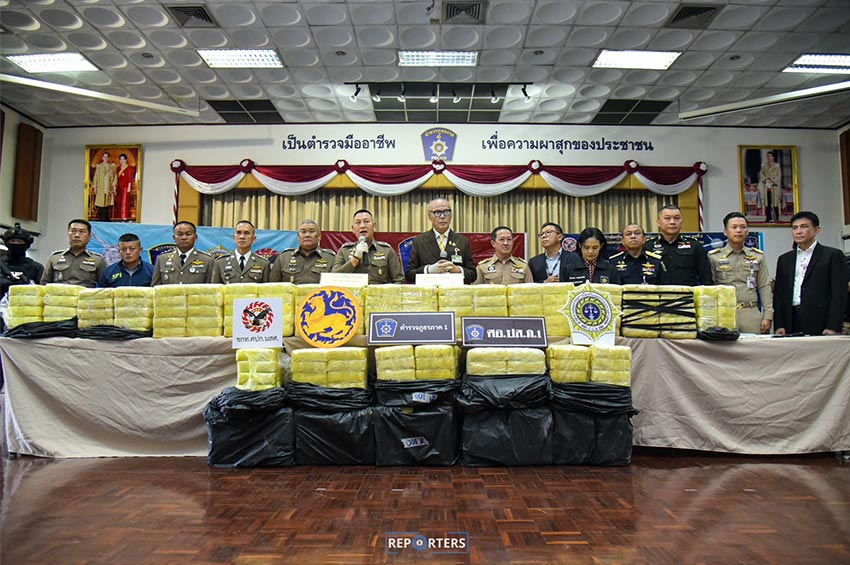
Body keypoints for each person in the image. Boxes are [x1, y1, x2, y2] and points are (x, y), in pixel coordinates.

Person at [773, 211, 848, 335]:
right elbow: (779, 294)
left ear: (816, 230)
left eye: (804, 227)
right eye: (795, 228)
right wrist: (779, 324)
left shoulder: (832, 255)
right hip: (791, 319)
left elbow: (839, 294)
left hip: (821, 320)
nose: (798, 231)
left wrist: (833, 325)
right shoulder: (784, 259)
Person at [708, 213, 772, 334]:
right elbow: (709, 289)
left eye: (743, 227)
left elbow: (764, 286)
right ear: (725, 232)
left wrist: (768, 316)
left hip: (751, 312)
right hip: (724, 312)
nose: (739, 230)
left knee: (755, 345)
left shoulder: (758, 256)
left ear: (747, 231)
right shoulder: (713, 257)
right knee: (724, 345)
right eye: (734, 227)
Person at [405, 198, 476, 284]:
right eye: (437, 213)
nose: (442, 216)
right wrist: (428, 270)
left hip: (454, 290)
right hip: (429, 290)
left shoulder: (462, 241)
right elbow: (409, 274)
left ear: (451, 215)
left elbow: (473, 274)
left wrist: (458, 270)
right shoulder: (419, 241)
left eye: (446, 212)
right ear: (429, 216)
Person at [645, 204, 713, 286]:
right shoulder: (647, 247)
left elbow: (706, 278)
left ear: (682, 223)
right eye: (667, 218)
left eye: (676, 218)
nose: (672, 222)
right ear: (658, 223)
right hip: (658, 293)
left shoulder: (695, 246)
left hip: (687, 293)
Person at [331, 209, 404, 284]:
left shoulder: (386, 250)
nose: (362, 226)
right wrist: (354, 259)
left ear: (374, 226)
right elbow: (333, 278)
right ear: (353, 229)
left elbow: (399, 280)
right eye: (358, 222)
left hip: (377, 291)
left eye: (366, 221)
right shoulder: (344, 251)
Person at [41, 219, 106, 288]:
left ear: (89, 237)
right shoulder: (55, 257)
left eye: (82, 232)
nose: (77, 235)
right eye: (73, 231)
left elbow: (104, 288)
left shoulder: (98, 260)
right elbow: (44, 284)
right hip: (59, 294)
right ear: (68, 234)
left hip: (85, 294)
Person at [269, 219, 336, 284]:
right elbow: (273, 285)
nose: (307, 235)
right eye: (303, 232)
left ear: (319, 236)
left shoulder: (330, 258)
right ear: (298, 236)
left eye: (311, 231)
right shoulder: (284, 257)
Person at [150, 221, 214, 285]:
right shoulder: (162, 259)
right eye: (180, 234)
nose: (184, 237)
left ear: (195, 237)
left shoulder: (207, 260)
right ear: (174, 238)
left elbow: (212, 288)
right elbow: (155, 287)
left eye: (188, 234)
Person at [0, 223, 44, 298]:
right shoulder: (1, 264)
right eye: (12, 241)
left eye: (19, 241)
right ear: (7, 243)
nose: (16, 243)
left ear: (26, 244)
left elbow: (41, 292)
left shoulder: (36, 268)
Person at [92, 151, 117, 222]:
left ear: (108, 158)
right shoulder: (99, 167)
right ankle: (102, 218)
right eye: (104, 157)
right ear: (102, 158)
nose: (105, 158)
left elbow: (115, 177)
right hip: (101, 187)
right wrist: (95, 187)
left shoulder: (112, 167)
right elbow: (96, 177)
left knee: (107, 202)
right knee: (101, 202)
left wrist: (114, 186)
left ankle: (106, 218)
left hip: (108, 187)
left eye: (107, 157)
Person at [759, 151, 781, 223]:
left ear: (773, 157)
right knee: (767, 204)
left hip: (774, 187)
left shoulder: (777, 166)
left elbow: (778, 176)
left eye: (771, 156)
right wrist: (766, 180)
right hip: (767, 187)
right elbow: (761, 174)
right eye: (768, 156)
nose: (769, 158)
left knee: (775, 203)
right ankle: (768, 218)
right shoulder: (764, 165)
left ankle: (776, 218)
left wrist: (772, 181)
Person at [113, 153, 136, 222]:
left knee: (124, 202)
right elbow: (116, 178)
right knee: (119, 202)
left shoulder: (129, 168)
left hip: (125, 188)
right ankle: (119, 217)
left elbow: (130, 178)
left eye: (123, 159)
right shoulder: (118, 168)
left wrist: (129, 187)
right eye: (120, 159)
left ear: (126, 160)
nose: (121, 161)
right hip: (119, 188)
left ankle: (124, 217)